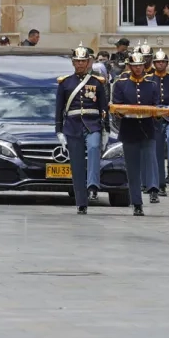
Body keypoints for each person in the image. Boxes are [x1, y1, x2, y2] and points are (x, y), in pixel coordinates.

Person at [55, 44, 109, 214]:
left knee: (94, 147)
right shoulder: (65, 83)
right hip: (72, 126)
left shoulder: (97, 83)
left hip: (92, 124)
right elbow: (58, 109)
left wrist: (106, 130)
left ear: (88, 62)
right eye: (77, 61)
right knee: (77, 165)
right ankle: (81, 202)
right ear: (73, 63)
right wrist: (59, 132)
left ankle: (92, 184)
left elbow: (103, 108)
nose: (80, 64)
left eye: (83, 61)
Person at [111, 52, 160, 216]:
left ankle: (153, 188)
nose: (138, 68)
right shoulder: (121, 84)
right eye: (135, 66)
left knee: (150, 161)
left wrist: (158, 113)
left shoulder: (151, 85)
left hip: (147, 128)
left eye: (140, 65)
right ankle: (137, 202)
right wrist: (120, 112)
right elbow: (116, 107)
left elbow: (157, 105)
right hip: (129, 129)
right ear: (129, 66)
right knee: (132, 169)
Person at [149, 49, 169, 194]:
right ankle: (158, 174)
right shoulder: (149, 79)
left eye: (162, 62)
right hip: (155, 117)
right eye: (158, 62)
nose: (160, 64)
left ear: (167, 63)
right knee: (157, 146)